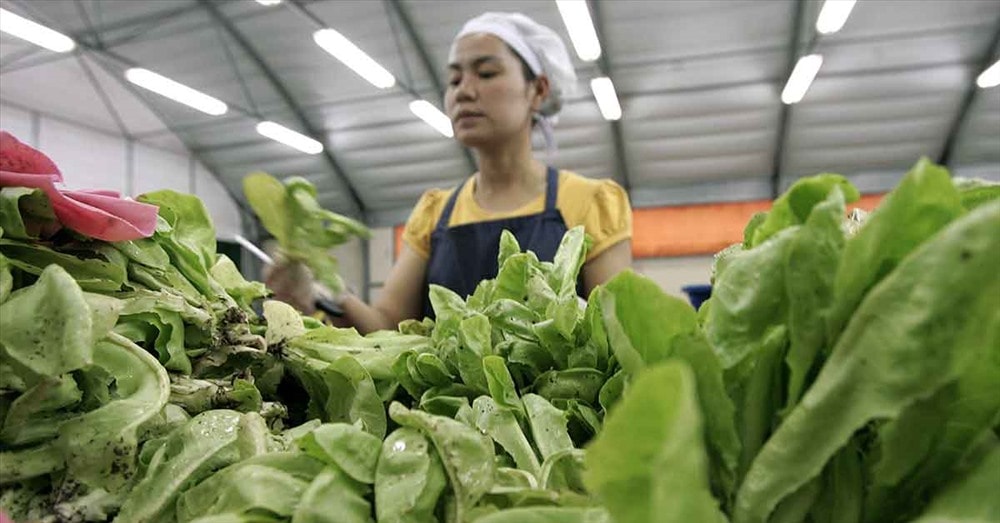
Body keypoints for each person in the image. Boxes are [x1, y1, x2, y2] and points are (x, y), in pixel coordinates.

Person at [267, 12, 633, 333]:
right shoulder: (435, 212)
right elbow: (386, 327)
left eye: (486, 73)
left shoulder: (590, 203)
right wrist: (321, 292)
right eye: (454, 80)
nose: (464, 92)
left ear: (538, 90)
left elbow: (614, 333)